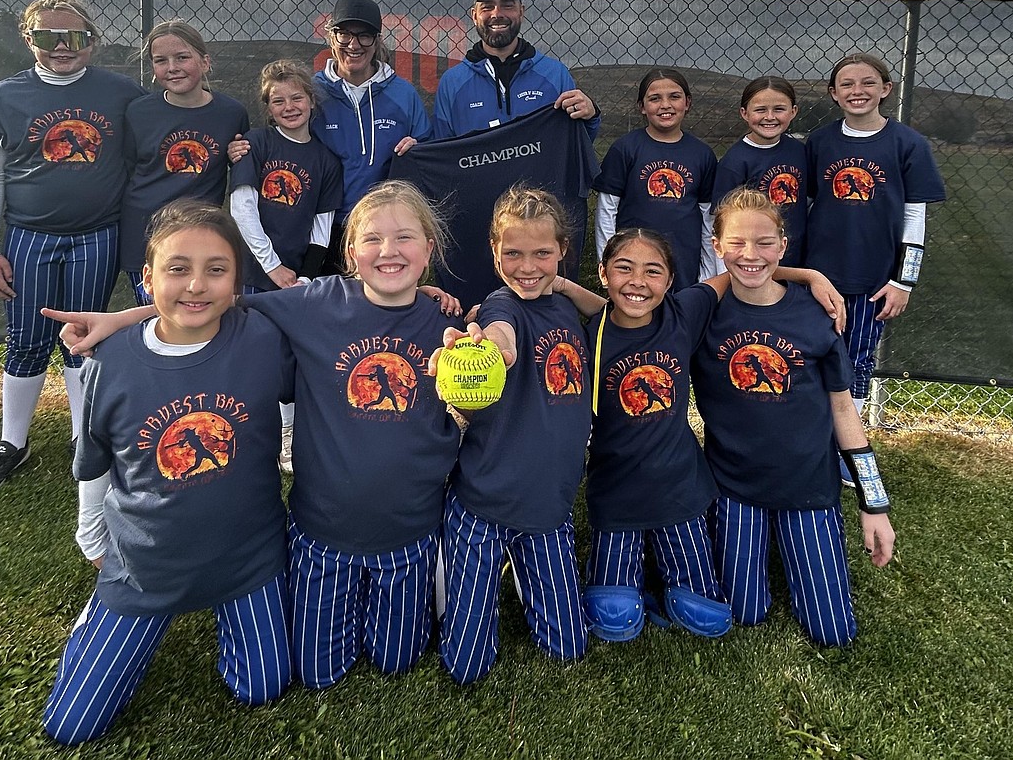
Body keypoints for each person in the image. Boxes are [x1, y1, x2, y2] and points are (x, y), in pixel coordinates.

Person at [50, 181, 462, 690]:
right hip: (323, 530)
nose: (389, 251)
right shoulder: (314, 303)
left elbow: (482, 359)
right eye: (372, 239)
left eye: (405, 238)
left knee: (397, 660)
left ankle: (420, 593)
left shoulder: (449, 320)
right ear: (351, 251)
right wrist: (120, 319)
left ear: (429, 247)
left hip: (411, 530)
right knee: (316, 674)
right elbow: (212, 306)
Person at [41, 202, 292, 744]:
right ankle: (102, 613)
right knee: (71, 727)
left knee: (262, 688)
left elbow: (349, 306)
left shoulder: (263, 339)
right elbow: (96, 460)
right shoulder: (109, 361)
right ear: (147, 277)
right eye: (178, 269)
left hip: (248, 556)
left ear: (237, 281)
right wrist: (92, 536)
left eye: (216, 269)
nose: (196, 285)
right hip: (147, 566)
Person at [553, 229, 844, 642]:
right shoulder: (588, 336)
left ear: (671, 283)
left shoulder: (684, 312)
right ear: (602, 273)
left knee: (705, 614)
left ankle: (675, 580)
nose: (637, 281)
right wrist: (552, 289)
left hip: (681, 487)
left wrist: (808, 275)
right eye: (624, 268)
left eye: (653, 271)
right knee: (612, 616)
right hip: (615, 488)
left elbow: (742, 272)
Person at [692, 188, 896, 647]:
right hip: (735, 485)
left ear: (783, 245)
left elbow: (844, 409)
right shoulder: (704, 312)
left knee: (833, 633)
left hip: (808, 485)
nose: (751, 254)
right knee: (745, 612)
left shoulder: (815, 314)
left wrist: (874, 503)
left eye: (765, 243)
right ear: (716, 246)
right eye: (736, 243)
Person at [0, 0, 144, 502]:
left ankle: (81, 436)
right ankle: (10, 442)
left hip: (97, 233)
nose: (62, 46)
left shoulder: (120, 92)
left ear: (93, 41)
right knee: (26, 340)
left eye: (74, 37)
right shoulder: (5, 96)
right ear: (28, 40)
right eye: (47, 37)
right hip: (29, 235)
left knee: (82, 337)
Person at [433, 186, 592, 684]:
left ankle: (528, 577)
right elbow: (501, 334)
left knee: (569, 647)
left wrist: (564, 286)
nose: (528, 266)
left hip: (548, 503)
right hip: (483, 501)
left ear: (564, 250)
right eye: (513, 253)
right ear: (494, 249)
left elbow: (608, 306)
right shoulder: (501, 306)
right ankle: (450, 574)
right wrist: (487, 346)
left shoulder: (569, 307)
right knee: (466, 667)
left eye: (542, 253)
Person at [805, 54, 946, 412]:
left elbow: (915, 217)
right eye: (847, 84)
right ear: (833, 93)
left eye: (868, 83)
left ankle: (849, 451)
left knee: (857, 358)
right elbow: (803, 206)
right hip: (819, 275)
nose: (857, 91)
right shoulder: (819, 142)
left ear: (885, 89)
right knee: (812, 355)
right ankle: (811, 440)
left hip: (873, 280)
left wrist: (904, 282)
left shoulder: (908, 143)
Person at [229, 59, 343, 471]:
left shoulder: (327, 160)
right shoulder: (256, 144)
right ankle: (251, 432)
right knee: (250, 350)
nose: (289, 106)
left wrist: (306, 277)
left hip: (296, 278)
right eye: (278, 100)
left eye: (297, 97)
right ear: (268, 106)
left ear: (312, 101)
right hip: (256, 272)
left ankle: (290, 436)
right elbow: (243, 207)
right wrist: (272, 265)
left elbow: (321, 225)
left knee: (289, 356)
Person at [120, 20, 249, 304]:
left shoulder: (231, 113)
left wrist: (234, 154)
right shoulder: (139, 112)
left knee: (196, 318)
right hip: (144, 232)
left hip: (201, 236)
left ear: (205, 62)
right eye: (160, 61)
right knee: (156, 320)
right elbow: (129, 169)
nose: (172, 67)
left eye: (182, 57)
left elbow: (236, 164)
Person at [311, 0, 431, 269]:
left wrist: (418, 147)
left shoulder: (403, 94)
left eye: (364, 36)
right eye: (344, 35)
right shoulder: (311, 93)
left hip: (385, 231)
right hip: (324, 228)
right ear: (332, 38)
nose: (353, 45)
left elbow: (428, 155)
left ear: (377, 41)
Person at [433, 0, 600, 141]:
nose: (497, 14)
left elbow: (577, 144)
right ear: (474, 16)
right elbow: (441, 154)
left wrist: (590, 116)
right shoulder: (452, 83)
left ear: (521, 12)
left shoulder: (555, 75)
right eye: (487, 7)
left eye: (507, 5)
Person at [593, 68, 717, 290]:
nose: (665, 105)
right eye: (654, 99)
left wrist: (708, 275)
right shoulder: (625, 149)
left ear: (687, 102)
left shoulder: (702, 154)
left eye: (674, 97)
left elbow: (708, 219)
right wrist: (608, 264)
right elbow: (606, 211)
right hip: (634, 261)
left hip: (684, 260)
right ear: (642, 106)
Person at [712, 76, 809, 265]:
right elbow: (721, 220)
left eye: (779, 109)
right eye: (760, 110)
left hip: (797, 258)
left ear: (793, 111)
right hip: (754, 261)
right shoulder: (735, 161)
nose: (770, 117)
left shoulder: (799, 151)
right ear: (744, 113)